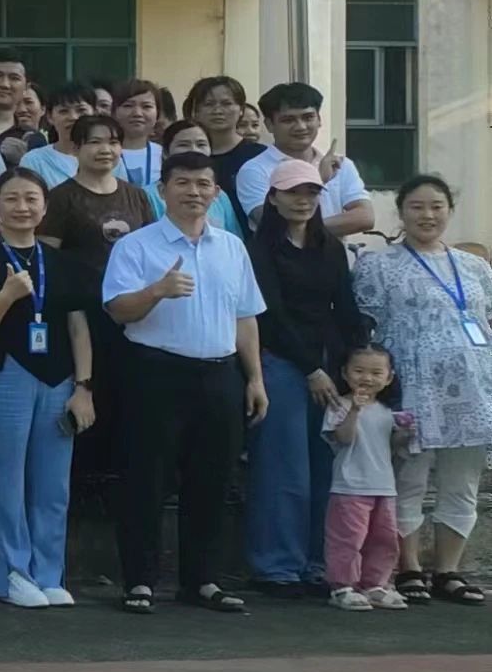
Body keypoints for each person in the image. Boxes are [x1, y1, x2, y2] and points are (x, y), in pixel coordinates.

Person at [102, 151, 269, 614]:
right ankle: (140, 581)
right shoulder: (136, 246)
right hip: (155, 372)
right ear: (163, 190)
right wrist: (156, 291)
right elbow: (117, 310)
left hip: (219, 373)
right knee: (146, 480)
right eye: (182, 183)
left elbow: (245, 317)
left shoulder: (232, 247)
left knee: (213, 481)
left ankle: (203, 580)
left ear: (216, 192)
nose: (193, 192)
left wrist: (254, 378)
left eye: (202, 184)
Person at [350, 177, 492, 606]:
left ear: (449, 210)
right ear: (401, 212)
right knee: (409, 480)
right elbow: (365, 328)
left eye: (436, 206)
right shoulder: (378, 265)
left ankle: (449, 570)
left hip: (472, 391)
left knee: (462, 484)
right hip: (415, 389)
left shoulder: (475, 267)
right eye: (417, 206)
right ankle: (408, 567)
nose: (427, 215)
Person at [0, 167, 96, 608]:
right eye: (11, 199)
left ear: (44, 208)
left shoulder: (60, 262)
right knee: (4, 478)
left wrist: (84, 386)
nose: (22, 208)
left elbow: (78, 327)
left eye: (31, 199)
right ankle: (11, 574)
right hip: (4, 373)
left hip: (59, 378)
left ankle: (49, 572)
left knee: (52, 483)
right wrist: (6, 296)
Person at [242, 160, 359, 597]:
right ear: (273, 198)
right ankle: (277, 567)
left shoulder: (331, 247)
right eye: (293, 192)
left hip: (328, 366)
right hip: (281, 363)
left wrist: (353, 366)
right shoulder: (259, 250)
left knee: (325, 468)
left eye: (311, 192)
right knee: (283, 468)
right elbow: (268, 315)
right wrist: (310, 368)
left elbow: (345, 308)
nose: (303, 200)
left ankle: (317, 564)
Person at [319, 347, 412, 611]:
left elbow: (391, 447)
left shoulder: (386, 411)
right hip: (349, 486)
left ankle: (375, 585)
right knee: (348, 539)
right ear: (345, 373)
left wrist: (405, 433)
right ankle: (342, 587)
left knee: (384, 539)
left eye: (376, 373)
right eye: (359, 371)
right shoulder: (339, 405)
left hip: (384, 486)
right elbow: (343, 438)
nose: (367, 378)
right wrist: (354, 411)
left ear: (389, 377)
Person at [236, 83, 376, 238]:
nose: (301, 127)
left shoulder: (340, 164)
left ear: (319, 119)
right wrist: (319, 180)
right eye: (288, 120)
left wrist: (304, 229)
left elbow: (365, 218)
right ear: (269, 125)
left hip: (333, 253)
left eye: (308, 117)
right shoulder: (254, 170)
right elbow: (273, 226)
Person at [42, 115, 155, 266]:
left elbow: (150, 246)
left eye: (113, 143)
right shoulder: (60, 197)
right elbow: (47, 255)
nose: (105, 150)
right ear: (76, 148)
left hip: (132, 280)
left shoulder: (137, 195)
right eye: (95, 142)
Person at [185, 75, 264, 211]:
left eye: (227, 103)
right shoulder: (185, 155)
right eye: (209, 104)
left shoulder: (259, 156)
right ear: (196, 112)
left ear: (241, 110)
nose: (218, 111)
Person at [160, 120, 244, 238]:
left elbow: (233, 235)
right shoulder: (149, 195)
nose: (194, 150)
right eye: (183, 145)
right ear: (165, 152)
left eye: (201, 145)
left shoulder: (221, 196)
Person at [18, 84, 101, 186]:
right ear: (50, 117)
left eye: (81, 110)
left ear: (95, 114)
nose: (73, 117)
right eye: (64, 111)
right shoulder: (34, 160)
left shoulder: (108, 157)